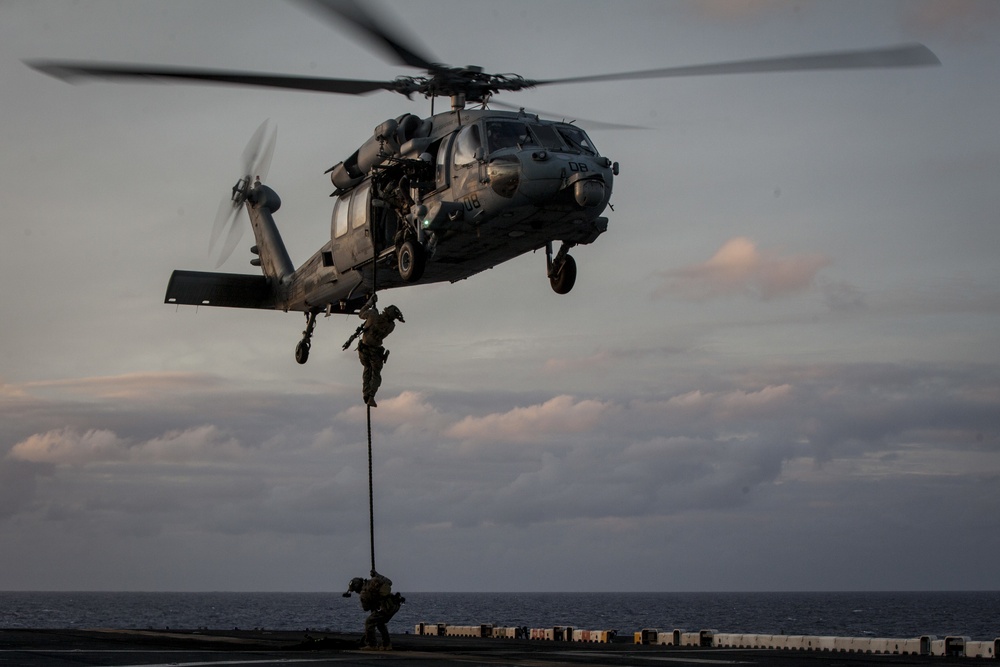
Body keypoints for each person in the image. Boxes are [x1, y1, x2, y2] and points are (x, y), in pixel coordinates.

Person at [355, 294, 404, 407]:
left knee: (367, 369)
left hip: (364, 348)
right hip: (375, 352)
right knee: (375, 374)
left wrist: (370, 304)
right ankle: (371, 395)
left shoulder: (372, 315)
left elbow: (361, 314)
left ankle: (365, 393)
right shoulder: (391, 326)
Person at [343, 571, 404, 650]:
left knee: (369, 622)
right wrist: (376, 574)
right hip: (394, 604)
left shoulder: (363, 593)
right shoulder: (374, 580)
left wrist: (372, 603)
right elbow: (389, 582)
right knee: (380, 622)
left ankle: (372, 644)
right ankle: (387, 644)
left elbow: (366, 608)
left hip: (385, 608)